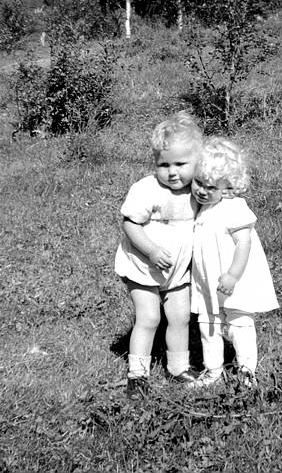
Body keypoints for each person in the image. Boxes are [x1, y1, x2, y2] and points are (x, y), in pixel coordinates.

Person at [115, 111, 203, 397]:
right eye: (164, 164)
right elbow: (130, 223)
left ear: (197, 162)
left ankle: (178, 368)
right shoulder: (146, 189)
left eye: (180, 163)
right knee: (149, 317)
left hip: (177, 270)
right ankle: (137, 374)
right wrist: (151, 251)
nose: (172, 172)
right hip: (143, 266)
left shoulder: (198, 191)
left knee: (179, 317)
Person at [190, 137, 279, 389]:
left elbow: (244, 243)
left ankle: (246, 370)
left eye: (210, 187)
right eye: (198, 182)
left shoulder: (234, 208)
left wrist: (232, 275)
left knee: (240, 322)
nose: (202, 191)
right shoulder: (203, 205)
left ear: (228, 188)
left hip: (232, 277)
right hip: (207, 278)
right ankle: (212, 370)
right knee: (208, 322)